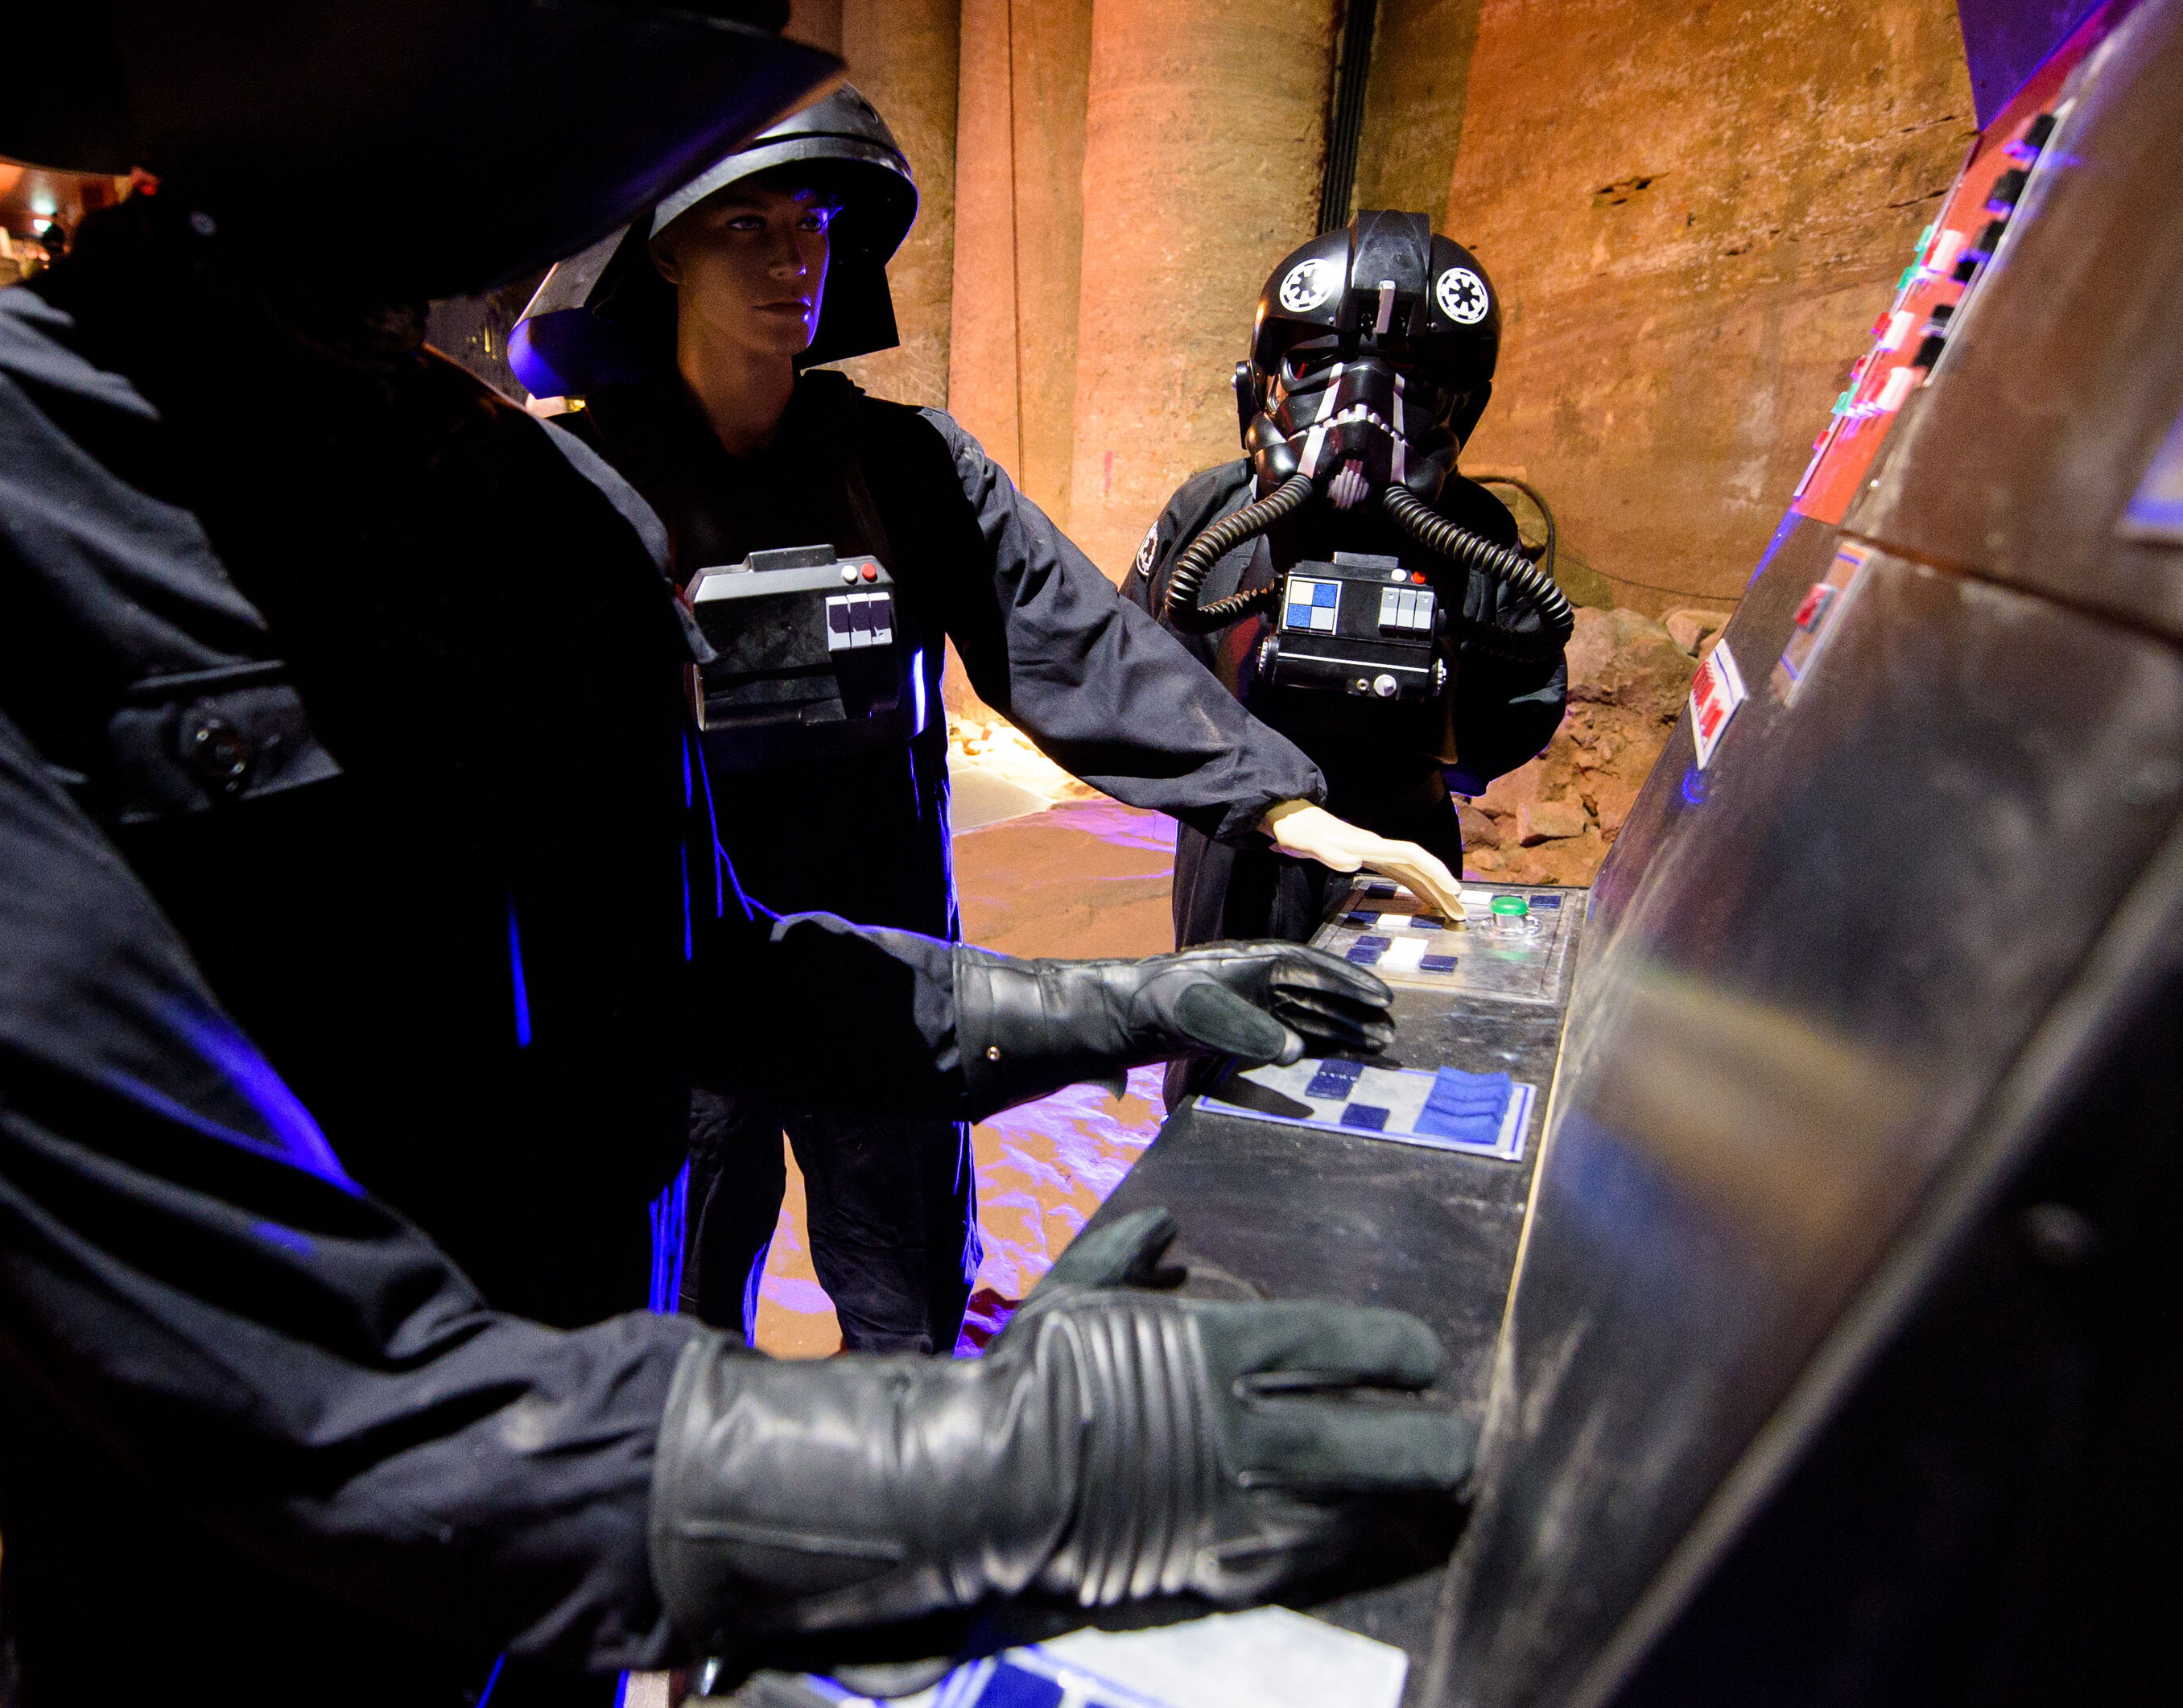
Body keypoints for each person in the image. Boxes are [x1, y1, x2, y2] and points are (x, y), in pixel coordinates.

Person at [0, 0, 1470, 1705]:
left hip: (582, 1587)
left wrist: (1130, 999)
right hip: (261, 1641)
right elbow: (253, 1343)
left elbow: (712, 979)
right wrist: (969, 1472)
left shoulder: (543, 511)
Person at [510, 89, 1467, 1356]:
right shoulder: (583, 481)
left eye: (812, 223)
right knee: (676, 1317)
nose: (793, 258)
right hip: (692, 982)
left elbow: (1068, 633)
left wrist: (1282, 802)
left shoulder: (905, 467)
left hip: (893, 975)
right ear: (666, 249)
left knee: (906, 1303)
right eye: (746, 223)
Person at [1125, 212, 1574, 963]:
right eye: (1316, 364)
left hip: (1401, 841)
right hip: (1240, 842)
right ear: (1262, 383)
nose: (1362, 402)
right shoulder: (1211, 511)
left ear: (1462, 401)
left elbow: (1516, 711)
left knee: (1389, 1021)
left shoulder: (1478, 533)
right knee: (1223, 1021)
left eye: (1414, 377)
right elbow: (1134, 669)